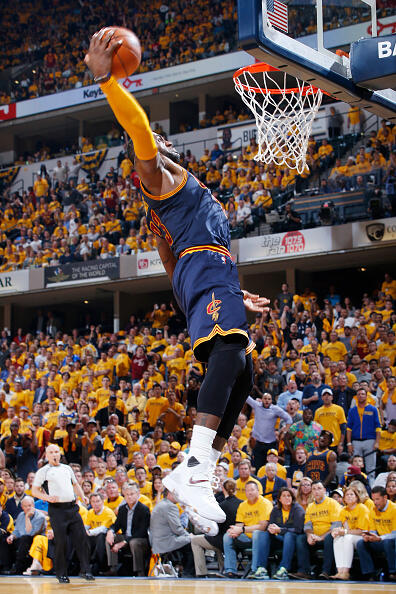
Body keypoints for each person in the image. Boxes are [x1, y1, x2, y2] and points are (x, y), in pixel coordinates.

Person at [84, 31, 269, 525]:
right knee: (232, 352)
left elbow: (171, 265)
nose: (160, 141)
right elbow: (139, 126)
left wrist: (221, 291)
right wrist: (106, 80)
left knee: (244, 371)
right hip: (205, 273)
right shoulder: (157, 178)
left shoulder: (167, 204)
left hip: (206, 275)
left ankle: (200, 467)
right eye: (153, 141)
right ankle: (193, 465)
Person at [31, 444, 94, 583]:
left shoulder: (67, 468)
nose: (54, 454)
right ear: (47, 455)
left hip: (72, 508)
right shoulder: (43, 471)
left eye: (56, 452)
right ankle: (61, 573)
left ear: (60, 454)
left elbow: (76, 484)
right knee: (61, 542)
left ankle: (85, 570)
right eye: (51, 452)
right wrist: (47, 498)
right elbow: (34, 491)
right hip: (57, 510)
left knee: (82, 539)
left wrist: (82, 496)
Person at [190, 478, 241, 578]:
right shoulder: (242, 503)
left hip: (223, 540)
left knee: (195, 540)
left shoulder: (221, 506)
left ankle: (201, 573)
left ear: (223, 488)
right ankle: (223, 567)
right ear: (236, 489)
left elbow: (215, 529)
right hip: (238, 540)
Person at [291, 481, 342, 580]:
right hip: (315, 537)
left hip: (329, 536)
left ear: (324, 490)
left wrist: (321, 537)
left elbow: (335, 526)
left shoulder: (332, 503)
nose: (316, 491)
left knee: (330, 537)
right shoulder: (311, 506)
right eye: (314, 489)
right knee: (300, 538)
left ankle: (326, 571)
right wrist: (310, 535)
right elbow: (307, 526)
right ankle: (304, 571)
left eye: (319, 488)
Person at [223, 480, 272, 579]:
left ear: (258, 491)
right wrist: (235, 530)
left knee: (258, 533)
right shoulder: (243, 505)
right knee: (227, 535)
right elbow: (239, 525)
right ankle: (230, 571)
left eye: (252, 490)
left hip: (262, 538)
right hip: (246, 537)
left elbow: (263, 527)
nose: (249, 492)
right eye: (247, 490)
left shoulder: (265, 503)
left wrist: (242, 529)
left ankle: (255, 570)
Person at [259, 487, 305, 580]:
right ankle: (261, 568)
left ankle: (283, 568)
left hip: (294, 539)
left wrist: (280, 530)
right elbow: (271, 524)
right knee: (263, 534)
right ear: (279, 499)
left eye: (289, 496)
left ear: (292, 498)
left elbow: (299, 529)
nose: (287, 498)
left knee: (288, 535)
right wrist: (271, 529)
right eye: (284, 496)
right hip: (279, 539)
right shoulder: (276, 510)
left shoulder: (297, 509)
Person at [149, 487, 195, 577]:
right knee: (193, 542)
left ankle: (181, 568)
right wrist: (189, 536)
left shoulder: (161, 504)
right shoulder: (170, 506)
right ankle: (188, 574)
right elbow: (177, 529)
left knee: (188, 541)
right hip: (165, 542)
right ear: (169, 494)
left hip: (158, 542)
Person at [356, 486, 396, 581]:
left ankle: (393, 572)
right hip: (380, 540)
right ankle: (369, 574)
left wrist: (380, 538)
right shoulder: (373, 509)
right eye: (373, 499)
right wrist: (369, 537)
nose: (375, 502)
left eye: (377, 499)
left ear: (385, 497)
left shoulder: (394, 509)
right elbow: (373, 530)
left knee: (388, 542)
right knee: (361, 543)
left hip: (392, 540)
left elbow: (395, 533)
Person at [246, 392, 292, 473]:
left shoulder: (275, 409)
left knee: (272, 468)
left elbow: (289, 419)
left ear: (271, 400)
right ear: (262, 399)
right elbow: (246, 397)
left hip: (271, 444)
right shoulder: (257, 405)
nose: (267, 401)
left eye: (269, 399)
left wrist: (284, 431)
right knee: (258, 468)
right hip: (258, 443)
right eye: (265, 398)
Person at [331, 486, 370, 580]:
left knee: (347, 538)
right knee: (338, 538)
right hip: (351, 535)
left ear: (357, 497)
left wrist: (344, 531)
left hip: (363, 536)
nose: (349, 496)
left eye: (351, 494)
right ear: (344, 498)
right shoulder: (344, 510)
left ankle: (346, 572)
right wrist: (336, 531)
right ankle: (339, 571)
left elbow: (362, 531)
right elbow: (346, 528)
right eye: (347, 495)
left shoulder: (362, 508)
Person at [346, 388, 381, 486]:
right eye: (359, 394)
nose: (361, 396)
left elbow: (378, 427)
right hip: (356, 442)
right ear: (356, 397)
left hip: (370, 440)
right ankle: (354, 486)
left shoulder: (373, 409)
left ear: (366, 396)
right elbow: (349, 428)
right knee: (355, 468)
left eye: (362, 394)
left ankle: (371, 488)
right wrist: (349, 443)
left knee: (371, 468)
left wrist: (377, 442)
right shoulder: (352, 411)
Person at [6, 496, 46, 575]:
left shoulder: (40, 517)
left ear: (33, 505)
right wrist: (12, 536)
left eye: (30, 505)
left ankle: (18, 567)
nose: (28, 508)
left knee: (25, 539)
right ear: (22, 507)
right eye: (25, 506)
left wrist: (27, 518)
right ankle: (6, 566)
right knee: (6, 540)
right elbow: (17, 530)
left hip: (34, 541)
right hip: (22, 540)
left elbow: (30, 533)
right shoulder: (21, 515)